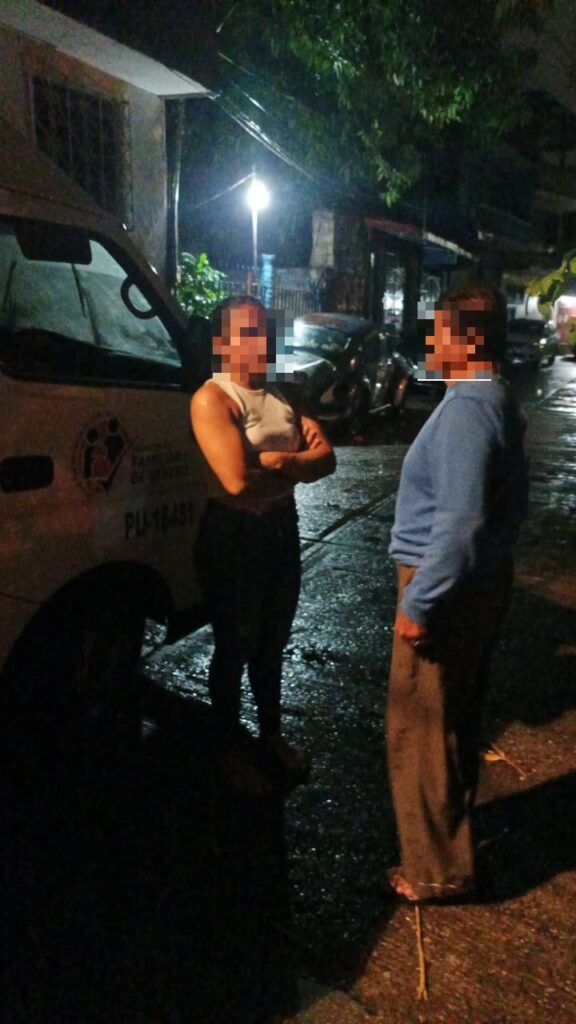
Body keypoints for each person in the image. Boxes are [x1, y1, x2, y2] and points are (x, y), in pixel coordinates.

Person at [386, 283, 529, 902]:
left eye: (438, 331)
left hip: (443, 585)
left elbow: (460, 520)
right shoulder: (494, 398)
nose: (430, 342)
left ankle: (435, 870)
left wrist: (420, 602)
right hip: (477, 582)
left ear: (465, 340)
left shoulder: (469, 406)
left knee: (423, 728)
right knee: (455, 719)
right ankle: (452, 845)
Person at [191, 295, 336, 795]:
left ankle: (270, 736)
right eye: (248, 333)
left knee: (272, 642)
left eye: (264, 331)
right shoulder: (214, 399)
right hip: (233, 536)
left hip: (280, 529)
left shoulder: (285, 393)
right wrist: (299, 466)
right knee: (235, 645)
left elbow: (328, 460)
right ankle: (227, 751)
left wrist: (279, 463)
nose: (261, 342)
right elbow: (236, 482)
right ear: (221, 343)